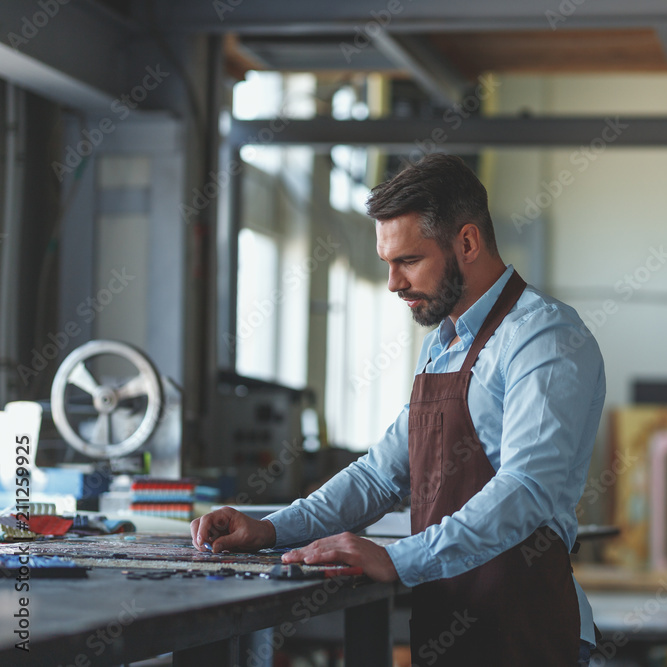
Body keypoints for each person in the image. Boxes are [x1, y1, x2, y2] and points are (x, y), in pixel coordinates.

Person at [191, 154, 606, 666]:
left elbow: (527, 489)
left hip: (526, 632)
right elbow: (382, 474)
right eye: (388, 264)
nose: (393, 283)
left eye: (408, 261)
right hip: (448, 624)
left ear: (468, 243)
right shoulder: (444, 343)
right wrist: (272, 529)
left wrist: (396, 556)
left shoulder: (543, 336)